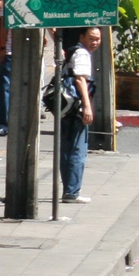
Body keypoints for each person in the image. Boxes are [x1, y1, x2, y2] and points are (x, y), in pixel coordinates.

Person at [59, 26, 101, 205]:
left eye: (98, 39)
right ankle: (72, 192)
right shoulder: (82, 54)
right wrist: (87, 106)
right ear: (81, 36)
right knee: (78, 149)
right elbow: (80, 79)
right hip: (76, 108)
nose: (95, 43)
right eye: (91, 38)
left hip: (66, 108)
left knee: (67, 149)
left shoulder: (72, 52)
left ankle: (69, 190)